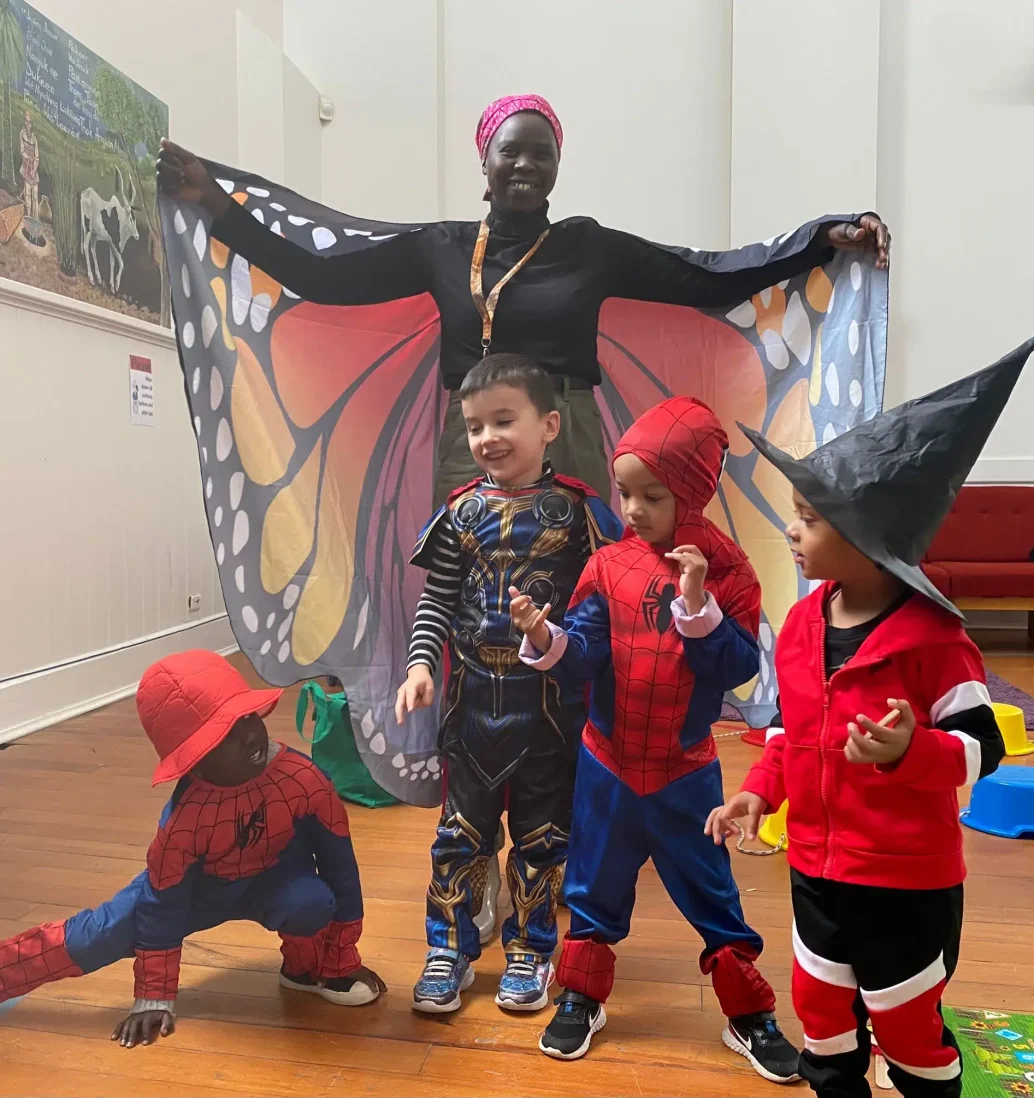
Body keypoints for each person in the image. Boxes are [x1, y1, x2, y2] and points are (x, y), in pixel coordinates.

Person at [156, 92, 891, 508]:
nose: (526, 164)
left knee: (575, 588)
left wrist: (818, 241)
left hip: (566, 431)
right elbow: (325, 278)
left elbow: (707, 276)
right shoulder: (440, 247)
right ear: (485, 161)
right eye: (511, 150)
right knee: (467, 582)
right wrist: (218, 207)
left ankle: (569, 734)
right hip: (471, 437)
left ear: (556, 167)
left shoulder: (588, 247)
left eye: (542, 153)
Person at [706, 339, 1033, 1098]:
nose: (793, 530)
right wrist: (758, 790)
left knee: (909, 1027)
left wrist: (911, 750)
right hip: (816, 873)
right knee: (823, 1019)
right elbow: (787, 733)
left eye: (810, 518)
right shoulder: (800, 627)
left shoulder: (935, 642)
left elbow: (984, 747)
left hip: (906, 883)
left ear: (869, 539)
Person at [511, 396, 799, 1083]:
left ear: (692, 495)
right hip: (608, 765)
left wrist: (698, 605)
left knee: (712, 891)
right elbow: (584, 653)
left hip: (685, 771)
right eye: (625, 493)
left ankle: (749, 1014)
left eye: (653, 496)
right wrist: (544, 636)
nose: (634, 509)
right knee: (593, 884)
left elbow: (736, 667)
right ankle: (581, 996)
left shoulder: (730, 574)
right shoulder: (609, 565)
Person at [0, 650, 385, 1048]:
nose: (248, 736)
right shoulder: (184, 823)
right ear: (193, 763)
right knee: (91, 937)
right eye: (224, 734)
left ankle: (305, 969)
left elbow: (341, 870)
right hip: (198, 891)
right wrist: (154, 995)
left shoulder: (305, 780)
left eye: (246, 718)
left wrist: (341, 960)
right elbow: (162, 905)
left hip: (276, 879)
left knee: (313, 901)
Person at [395, 353, 623, 1014]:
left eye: (503, 420)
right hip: (470, 710)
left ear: (549, 425)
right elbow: (437, 599)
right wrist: (419, 665)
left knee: (542, 837)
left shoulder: (579, 512)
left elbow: (603, 607)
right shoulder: (460, 512)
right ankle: (449, 947)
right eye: (474, 427)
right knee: (459, 836)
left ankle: (531, 949)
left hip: (549, 712)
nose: (487, 437)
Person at [19, 111, 40, 221]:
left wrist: (34, 169)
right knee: (27, 193)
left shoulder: (34, 139)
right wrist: (28, 157)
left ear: (32, 124)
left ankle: (35, 218)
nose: (27, 124)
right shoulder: (22, 133)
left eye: (29, 122)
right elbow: (22, 150)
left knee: (35, 195)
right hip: (26, 166)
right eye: (26, 121)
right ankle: (28, 216)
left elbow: (37, 158)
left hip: (33, 169)